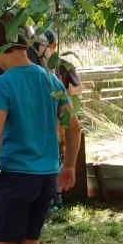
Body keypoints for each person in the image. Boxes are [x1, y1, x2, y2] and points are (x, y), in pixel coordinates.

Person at [0, 12, 81, 244]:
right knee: (29, 243)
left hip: (17, 177)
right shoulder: (50, 80)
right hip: (47, 177)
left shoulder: (1, 85)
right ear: (27, 42)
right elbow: (73, 127)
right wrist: (69, 166)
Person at [35, 29, 84, 213]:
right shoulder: (36, 66)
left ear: (53, 46)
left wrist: (67, 92)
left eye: (45, 46)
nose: (43, 51)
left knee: (59, 154)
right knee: (50, 154)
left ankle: (57, 198)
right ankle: (50, 198)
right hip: (44, 118)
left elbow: (80, 87)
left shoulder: (64, 65)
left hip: (62, 116)